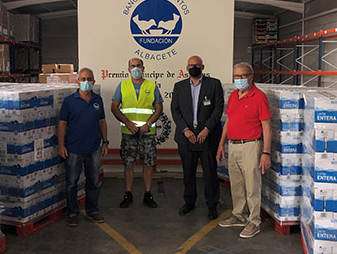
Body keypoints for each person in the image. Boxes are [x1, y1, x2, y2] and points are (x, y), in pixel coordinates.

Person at [216, 62, 272, 238]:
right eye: (236, 76)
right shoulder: (233, 95)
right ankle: (238, 214)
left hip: (251, 145)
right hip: (233, 145)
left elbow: (267, 126)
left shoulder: (259, 97)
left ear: (251, 76)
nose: (239, 79)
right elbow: (229, 122)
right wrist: (221, 144)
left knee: (252, 185)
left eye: (243, 76)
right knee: (237, 184)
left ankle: (254, 221)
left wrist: (266, 153)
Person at [171, 55, 224, 220]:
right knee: (188, 172)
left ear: (203, 67)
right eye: (191, 65)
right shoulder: (179, 86)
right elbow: (175, 110)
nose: (194, 67)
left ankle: (212, 205)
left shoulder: (214, 84)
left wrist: (207, 129)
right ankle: (189, 201)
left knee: (210, 173)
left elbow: (218, 108)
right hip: (186, 138)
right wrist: (186, 130)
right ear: (186, 68)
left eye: (197, 65)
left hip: (207, 137)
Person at [59, 67, 109, 227]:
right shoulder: (69, 101)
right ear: (77, 81)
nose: (86, 82)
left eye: (89, 79)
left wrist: (105, 142)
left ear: (93, 82)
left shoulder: (97, 100)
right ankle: (72, 213)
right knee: (72, 183)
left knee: (93, 181)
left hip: (93, 148)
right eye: (83, 79)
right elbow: (62, 124)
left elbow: (102, 121)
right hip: (73, 149)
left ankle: (92, 210)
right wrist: (61, 145)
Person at [111, 58, 163, 208]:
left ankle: (148, 193)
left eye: (138, 66)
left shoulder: (152, 86)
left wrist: (148, 124)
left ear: (143, 68)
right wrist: (127, 122)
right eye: (132, 66)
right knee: (128, 163)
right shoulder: (122, 86)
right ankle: (128, 194)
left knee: (148, 163)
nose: (136, 68)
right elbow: (114, 107)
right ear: (128, 69)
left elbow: (159, 108)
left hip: (147, 132)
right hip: (129, 131)